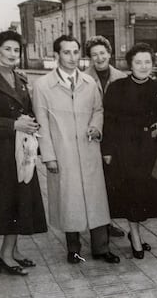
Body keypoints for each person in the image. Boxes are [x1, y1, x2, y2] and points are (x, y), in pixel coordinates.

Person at [32, 35, 119, 265]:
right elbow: (41, 123)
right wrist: (49, 156)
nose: (72, 57)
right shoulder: (43, 86)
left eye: (75, 52)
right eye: (66, 52)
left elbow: (98, 110)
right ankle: (74, 249)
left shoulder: (89, 83)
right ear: (57, 55)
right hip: (63, 153)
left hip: (89, 149)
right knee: (69, 200)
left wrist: (95, 128)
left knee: (96, 200)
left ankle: (101, 248)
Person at [0, 30, 47, 276]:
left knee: (21, 199)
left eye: (16, 50)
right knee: (7, 201)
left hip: (21, 151)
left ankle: (12, 250)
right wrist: (14, 124)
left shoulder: (21, 79)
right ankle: (4, 255)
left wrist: (30, 123)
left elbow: (28, 110)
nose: (13, 54)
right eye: (8, 49)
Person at [102, 43, 157, 259]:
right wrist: (107, 150)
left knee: (143, 196)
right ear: (130, 64)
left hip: (148, 151)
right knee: (130, 195)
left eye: (148, 62)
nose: (143, 66)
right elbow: (107, 121)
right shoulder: (117, 87)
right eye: (138, 62)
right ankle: (135, 237)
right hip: (124, 150)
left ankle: (135, 232)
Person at [84, 35, 126, 238]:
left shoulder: (122, 77)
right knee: (95, 184)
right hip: (93, 138)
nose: (99, 58)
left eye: (102, 53)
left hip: (116, 139)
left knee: (112, 182)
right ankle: (97, 224)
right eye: (94, 55)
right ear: (90, 58)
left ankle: (107, 222)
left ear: (109, 54)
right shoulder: (83, 78)